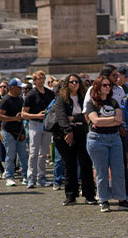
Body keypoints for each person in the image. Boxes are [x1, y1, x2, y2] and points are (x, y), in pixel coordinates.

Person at [86, 74, 128, 212]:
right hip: (97, 139)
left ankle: (121, 198)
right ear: (98, 87)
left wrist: (106, 120)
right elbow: (95, 121)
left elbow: (119, 119)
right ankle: (103, 200)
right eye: (105, 85)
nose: (108, 87)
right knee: (101, 172)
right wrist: (111, 119)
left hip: (114, 138)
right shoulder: (92, 103)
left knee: (118, 169)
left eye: (109, 85)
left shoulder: (113, 101)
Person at [49, 74, 97, 205]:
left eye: (77, 82)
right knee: (69, 165)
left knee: (86, 164)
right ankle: (70, 195)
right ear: (67, 84)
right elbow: (61, 116)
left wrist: (74, 119)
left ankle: (89, 195)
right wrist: (68, 129)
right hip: (64, 134)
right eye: (71, 82)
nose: (75, 84)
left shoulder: (83, 97)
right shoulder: (61, 98)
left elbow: (86, 115)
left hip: (82, 133)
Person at [24, 70, 55, 189]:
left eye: (43, 78)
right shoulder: (31, 94)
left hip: (47, 125)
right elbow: (24, 113)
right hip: (35, 124)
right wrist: (37, 115)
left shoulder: (49, 93)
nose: (41, 81)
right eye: (39, 79)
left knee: (43, 153)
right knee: (33, 152)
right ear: (35, 81)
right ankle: (31, 177)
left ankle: (41, 177)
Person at [0, 77, 29, 186]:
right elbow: (0, 116)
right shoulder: (5, 100)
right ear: (13, 88)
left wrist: (21, 116)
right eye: (19, 88)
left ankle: (26, 176)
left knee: (23, 155)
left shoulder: (20, 99)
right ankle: (9, 176)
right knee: (10, 155)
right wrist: (15, 118)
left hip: (20, 130)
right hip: (8, 131)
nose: (21, 90)